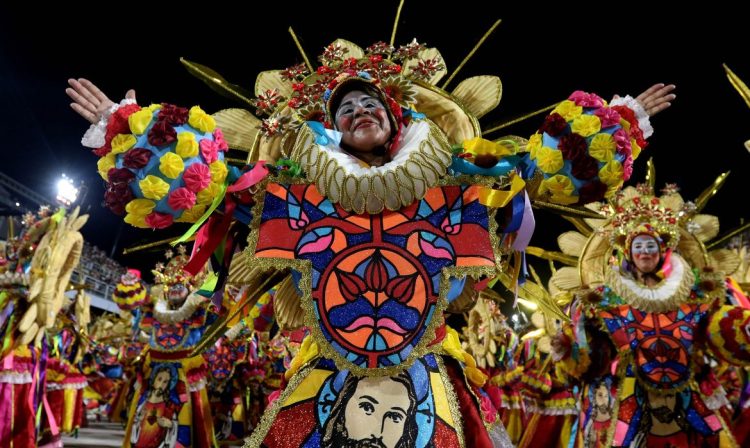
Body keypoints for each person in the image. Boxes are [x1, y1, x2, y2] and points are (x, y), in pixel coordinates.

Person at [67, 35, 675, 447]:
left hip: (425, 366)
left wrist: (615, 124)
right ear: (331, 129)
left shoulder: (455, 180)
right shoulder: (297, 188)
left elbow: (535, 171)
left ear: (395, 117)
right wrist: (126, 129)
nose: (358, 108)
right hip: (327, 367)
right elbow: (207, 182)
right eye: (345, 107)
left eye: (369, 101)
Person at [549, 182, 750, 447]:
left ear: (663, 250)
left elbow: (717, 333)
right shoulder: (605, 297)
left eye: (650, 245)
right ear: (628, 252)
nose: (645, 252)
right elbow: (591, 354)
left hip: (688, 400)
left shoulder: (695, 293)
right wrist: (567, 349)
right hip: (628, 399)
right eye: (639, 246)